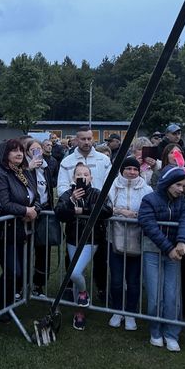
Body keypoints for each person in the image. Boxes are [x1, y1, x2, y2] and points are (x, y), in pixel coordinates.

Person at [138, 165, 185, 352]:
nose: (181, 189)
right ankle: (155, 331)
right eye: (178, 185)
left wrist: (181, 241)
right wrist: (169, 247)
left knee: (172, 296)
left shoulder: (183, 203)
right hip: (153, 251)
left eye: (184, 186)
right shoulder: (149, 199)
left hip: (174, 254)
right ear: (168, 183)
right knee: (155, 295)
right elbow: (148, 224)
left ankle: (171, 334)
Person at [57, 126, 111, 302]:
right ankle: (70, 287)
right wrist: (72, 198)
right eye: (83, 139)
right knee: (71, 257)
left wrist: (94, 202)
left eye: (89, 138)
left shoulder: (104, 159)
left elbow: (109, 185)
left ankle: (101, 288)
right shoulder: (67, 161)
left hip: (97, 217)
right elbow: (62, 187)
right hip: (74, 219)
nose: (87, 142)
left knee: (101, 257)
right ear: (76, 140)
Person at [55, 163, 110, 331]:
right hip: (73, 239)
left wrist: (82, 210)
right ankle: (79, 312)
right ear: (74, 178)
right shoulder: (68, 193)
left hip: (91, 239)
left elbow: (107, 210)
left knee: (74, 272)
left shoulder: (97, 193)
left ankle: (83, 293)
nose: (83, 177)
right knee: (76, 275)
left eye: (86, 174)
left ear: (91, 177)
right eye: (79, 175)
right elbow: (59, 212)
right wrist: (72, 201)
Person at [0, 138, 40, 312]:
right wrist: (25, 211)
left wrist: (35, 210)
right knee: (14, 272)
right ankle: (1, 307)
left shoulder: (25, 172)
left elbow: (37, 197)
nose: (19, 153)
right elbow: (4, 203)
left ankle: (10, 302)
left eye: (21, 150)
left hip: (24, 232)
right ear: (5, 154)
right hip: (7, 233)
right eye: (14, 150)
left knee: (24, 271)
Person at [107, 157, 152, 331]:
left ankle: (131, 312)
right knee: (117, 279)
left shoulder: (146, 189)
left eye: (135, 169)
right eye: (128, 169)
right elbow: (105, 207)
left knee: (133, 280)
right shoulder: (113, 186)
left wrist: (137, 216)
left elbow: (150, 211)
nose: (132, 172)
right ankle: (117, 310)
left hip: (137, 239)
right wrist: (121, 212)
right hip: (115, 239)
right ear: (122, 170)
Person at [25, 139, 55, 296]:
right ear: (27, 152)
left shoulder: (46, 167)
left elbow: (49, 189)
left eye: (39, 149)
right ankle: (22, 283)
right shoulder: (23, 168)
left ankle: (39, 284)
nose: (37, 152)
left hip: (44, 213)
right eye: (33, 149)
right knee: (26, 250)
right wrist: (28, 169)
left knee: (44, 251)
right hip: (29, 213)